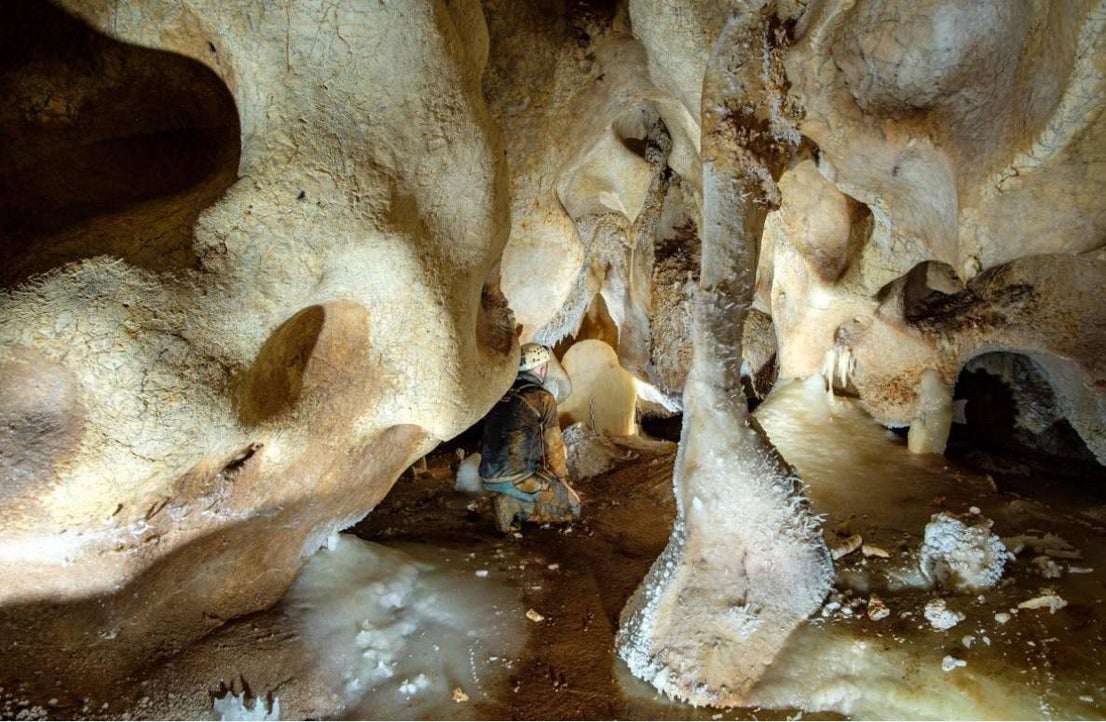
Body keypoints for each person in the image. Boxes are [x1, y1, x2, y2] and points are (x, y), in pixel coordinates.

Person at [479, 343, 582, 533]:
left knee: (539, 490)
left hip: (487, 475)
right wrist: (562, 482)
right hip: (519, 477)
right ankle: (517, 508)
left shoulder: (499, 394)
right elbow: (554, 446)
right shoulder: (542, 398)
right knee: (573, 508)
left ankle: (510, 500)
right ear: (542, 369)